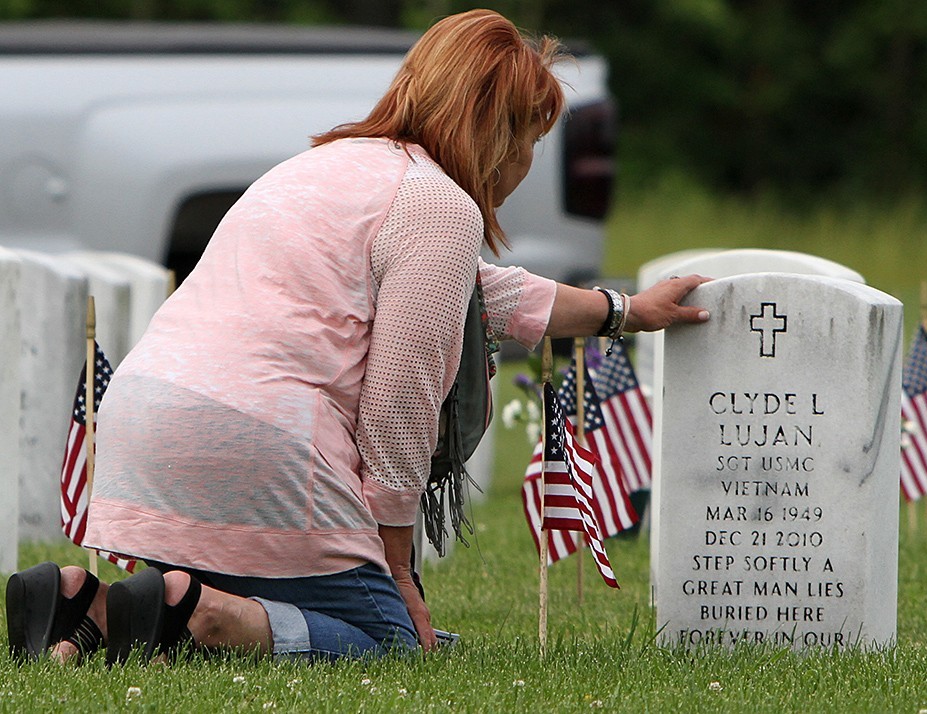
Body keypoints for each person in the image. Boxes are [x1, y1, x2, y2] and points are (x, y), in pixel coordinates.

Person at [5, 9, 710, 665]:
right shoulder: (438, 205)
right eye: (528, 141)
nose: (526, 164)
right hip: (260, 442)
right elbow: (401, 395)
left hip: (146, 421)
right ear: (497, 136)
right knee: (389, 640)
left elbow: (481, 294)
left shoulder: (321, 168)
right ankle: (206, 617)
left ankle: (87, 607)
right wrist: (396, 565)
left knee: (209, 604)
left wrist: (626, 312)